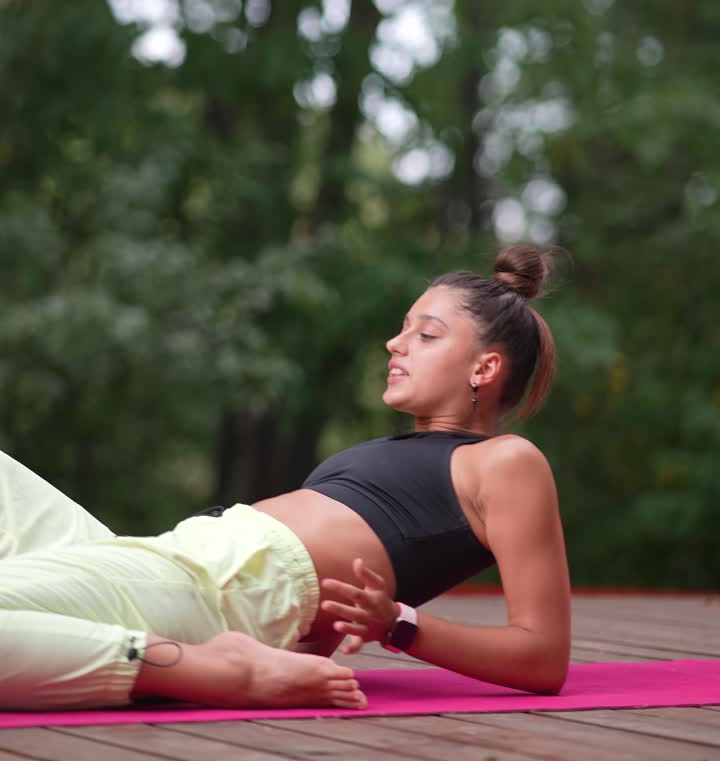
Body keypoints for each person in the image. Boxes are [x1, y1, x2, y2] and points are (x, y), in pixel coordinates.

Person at [0, 244, 570, 712]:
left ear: (484, 367)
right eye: (403, 330)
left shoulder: (504, 461)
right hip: (173, 560)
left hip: (218, 592)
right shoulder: (387, 452)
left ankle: (207, 669)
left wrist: (399, 624)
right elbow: (320, 616)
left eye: (426, 335)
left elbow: (542, 656)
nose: (395, 344)